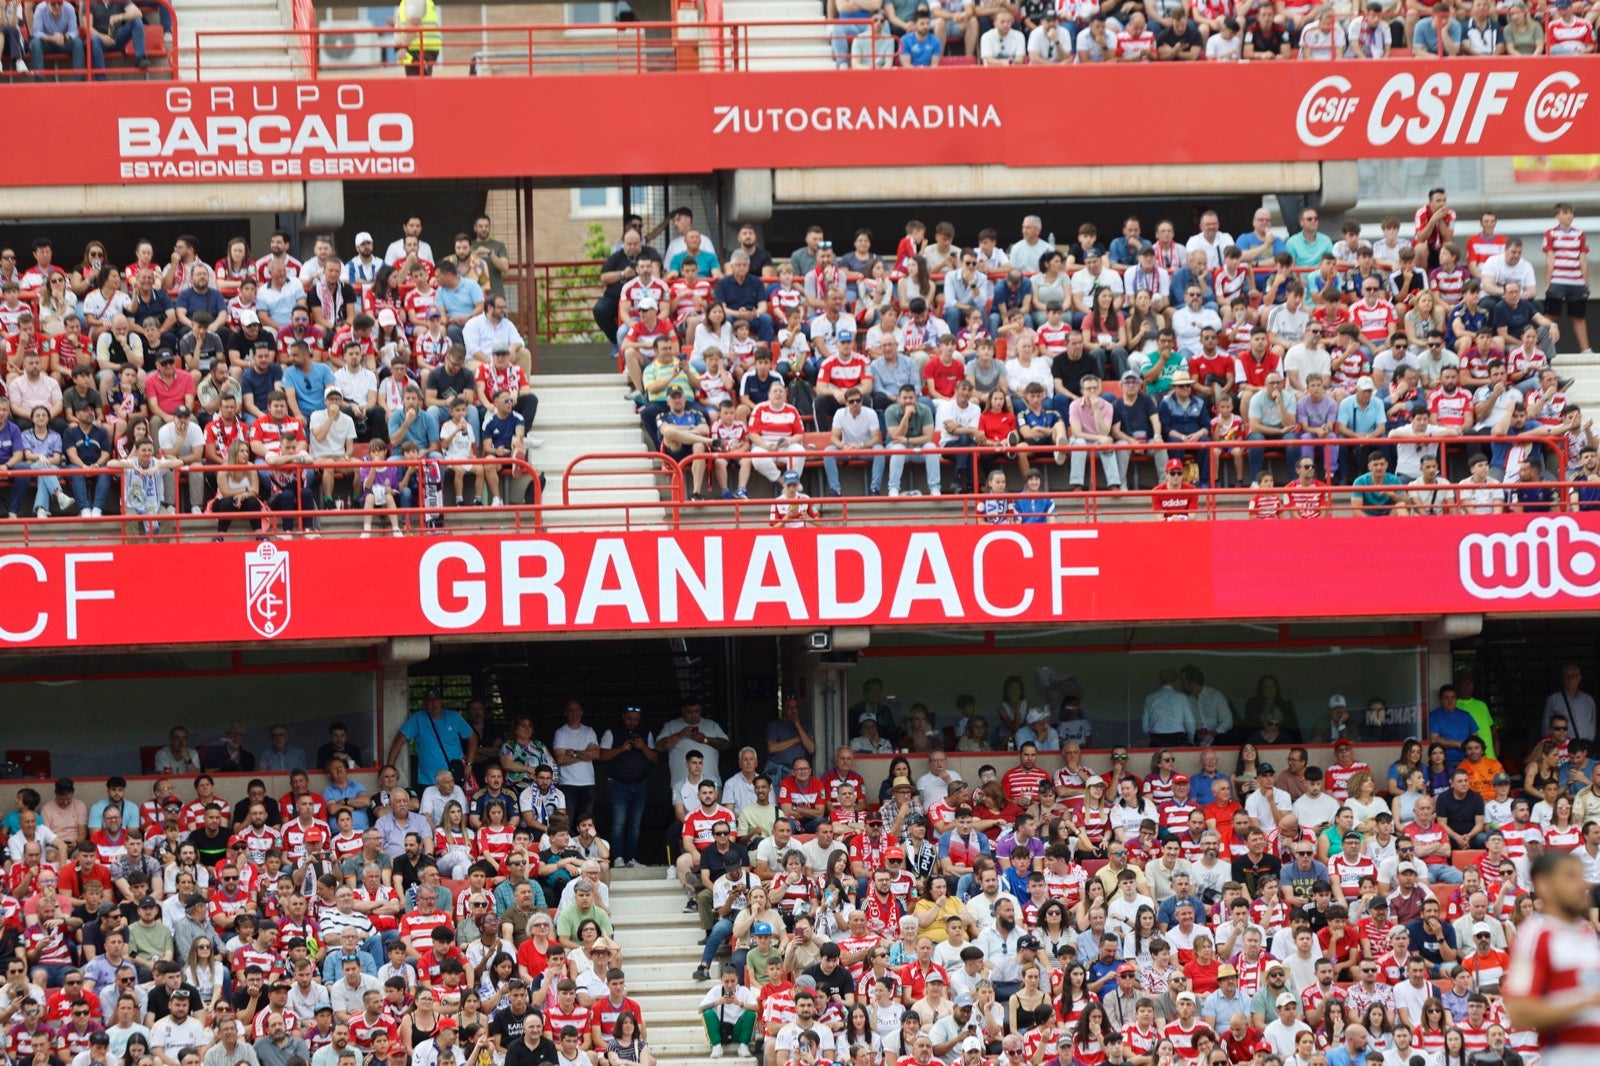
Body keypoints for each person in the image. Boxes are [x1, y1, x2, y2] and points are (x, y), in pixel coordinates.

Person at [597, 707, 657, 870]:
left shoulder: (646, 733)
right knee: (619, 823)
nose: (633, 722)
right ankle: (617, 858)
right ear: (623, 717)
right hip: (618, 784)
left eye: (636, 719)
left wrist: (643, 746)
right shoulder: (612, 732)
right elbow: (601, 755)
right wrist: (621, 748)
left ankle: (632, 858)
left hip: (640, 785)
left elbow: (655, 757)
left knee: (635, 824)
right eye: (630, 718)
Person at [388, 690, 478, 788]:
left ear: (441, 702)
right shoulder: (418, 718)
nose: (433, 704)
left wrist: (469, 764)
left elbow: (473, 738)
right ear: (425, 704)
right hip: (429, 780)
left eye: (436, 700)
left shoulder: (454, 716)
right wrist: (389, 769)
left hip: (454, 777)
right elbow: (399, 740)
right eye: (430, 701)